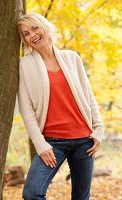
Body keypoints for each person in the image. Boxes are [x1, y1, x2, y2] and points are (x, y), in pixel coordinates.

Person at [17, 12, 104, 200]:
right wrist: (41, 145)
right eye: (26, 33)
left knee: (81, 197)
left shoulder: (72, 58)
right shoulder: (25, 65)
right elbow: (26, 110)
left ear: (45, 27)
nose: (32, 35)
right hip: (52, 142)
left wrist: (98, 130)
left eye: (34, 28)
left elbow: (88, 96)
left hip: (84, 140)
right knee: (32, 193)